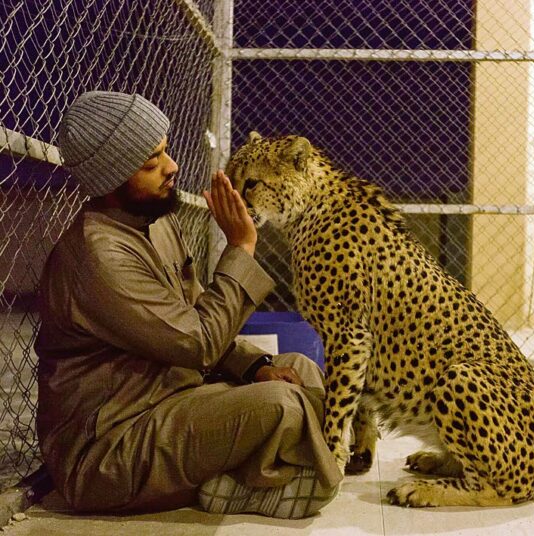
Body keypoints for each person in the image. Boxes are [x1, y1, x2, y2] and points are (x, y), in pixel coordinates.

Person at [34, 91, 343, 518]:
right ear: (111, 179)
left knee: (299, 370)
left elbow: (198, 314)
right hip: (110, 450)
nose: (171, 167)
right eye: (151, 163)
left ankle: (239, 482)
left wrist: (255, 367)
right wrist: (241, 247)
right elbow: (198, 342)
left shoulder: (157, 222)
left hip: (170, 404)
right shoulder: (97, 254)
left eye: (165, 151)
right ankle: (273, 478)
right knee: (281, 403)